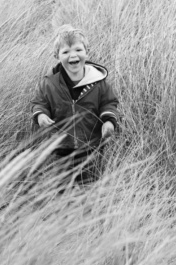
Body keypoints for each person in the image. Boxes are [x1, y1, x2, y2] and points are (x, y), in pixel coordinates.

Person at [31, 24, 119, 187]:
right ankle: (65, 208)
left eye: (78, 50)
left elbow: (109, 103)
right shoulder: (49, 83)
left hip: (91, 145)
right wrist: (41, 115)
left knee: (89, 185)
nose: (73, 55)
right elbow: (39, 102)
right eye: (66, 52)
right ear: (56, 55)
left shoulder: (98, 82)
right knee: (62, 187)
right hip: (60, 147)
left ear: (87, 52)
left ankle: (89, 208)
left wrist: (108, 122)